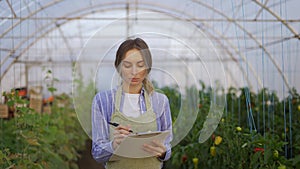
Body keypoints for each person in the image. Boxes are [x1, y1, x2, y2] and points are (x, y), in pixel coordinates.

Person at [91, 37, 173, 169]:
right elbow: (97, 153)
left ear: (147, 68)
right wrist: (114, 145)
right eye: (127, 65)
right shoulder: (103, 101)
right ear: (118, 67)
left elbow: (168, 146)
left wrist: (163, 152)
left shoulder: (160, 101)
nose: (134, 72)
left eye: (140, 65)